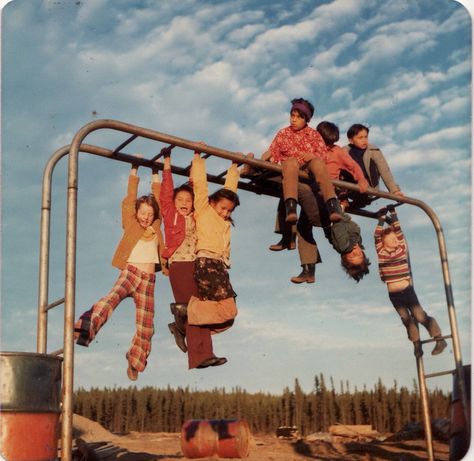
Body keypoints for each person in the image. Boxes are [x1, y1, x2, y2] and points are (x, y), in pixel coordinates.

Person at [74, 160, 166, 381]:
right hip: (131, 272)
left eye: (150, 214)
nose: (146, 217)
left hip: (149, 280)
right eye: (142, 213)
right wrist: (134, 170)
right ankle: (84, 328)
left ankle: (135, 360)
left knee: (146, 325)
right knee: (111, 299)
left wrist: (156, 174)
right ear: (137, 213)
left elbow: (160, 202)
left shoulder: (155, 228)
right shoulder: (131, 223)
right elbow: (129, 198)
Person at [170, 150, 241, 369]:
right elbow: (200, 185)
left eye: (229, 211)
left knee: (225, 317)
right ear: (211, 203)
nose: (225, 214)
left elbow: (230, 191)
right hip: (207, 264)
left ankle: (185, 319)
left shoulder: (224, 219)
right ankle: (185, 313)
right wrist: (198, 158)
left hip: (219, 266)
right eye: (222, 208)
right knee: (229, 310)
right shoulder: (203, 209)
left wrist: (234, 167)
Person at [374, 205, 447, 358]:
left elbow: (399, 232)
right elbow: (376, 236)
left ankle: (439, 339)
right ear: (384, 241)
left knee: (420, 316)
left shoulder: (401, 249)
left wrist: (393, 213)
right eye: (391, 239)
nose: (395, 240)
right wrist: (381, 219)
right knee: (406, 320)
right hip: (394, 295)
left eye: (395, 238)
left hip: (407, 291)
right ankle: (416, 344)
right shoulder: (381, 252)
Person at [267, 98, 343, 224]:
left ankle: (332, 206)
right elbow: (273, 152)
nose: (294, 119)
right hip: (290, 167)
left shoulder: (313, 134)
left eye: (299, 117)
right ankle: (291, 208)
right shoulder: (283, 133)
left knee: (318, 163)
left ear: (306, 119)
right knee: (290, 163)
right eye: (292, 115)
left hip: (308, 169)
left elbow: (324, 155)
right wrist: (271, 160)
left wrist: (312, 156)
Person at [342, 123, 403, 209]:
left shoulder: (374, 151)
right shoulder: (343, 151)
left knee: (363, 195)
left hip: (368, 186)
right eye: (360, 138)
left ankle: (360, 201)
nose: (364, 140)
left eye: (366, 137)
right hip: (350, 185)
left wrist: (395, 191)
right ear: (351, 140)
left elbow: (385, 171)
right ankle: (343, 200)